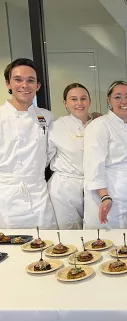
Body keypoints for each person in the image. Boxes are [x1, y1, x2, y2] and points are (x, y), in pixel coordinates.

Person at [0, 58, 57, 229]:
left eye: (30, 80)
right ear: (8, 84)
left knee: (48, 244)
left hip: (38, 191)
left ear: (38, 86)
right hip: (6, 193)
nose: (25, 85)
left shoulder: (47, 117)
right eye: (18, 80)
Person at [83, 81, 127, 229]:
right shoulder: (99, 125)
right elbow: (93, 165)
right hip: (110, 193)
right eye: (118, 97)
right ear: (109, 100)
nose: (124, 101)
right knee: (109, 240)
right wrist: (104, 196)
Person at [47, 83, 93, 229]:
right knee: (69, 233)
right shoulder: (56, 126)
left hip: (93, 186)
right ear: (65, 103)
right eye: (73, 99)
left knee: (94, 233)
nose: (79, 103)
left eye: (83, 98)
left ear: (89, 101)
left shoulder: (99, 124)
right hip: (64, 189)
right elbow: (45, 157)